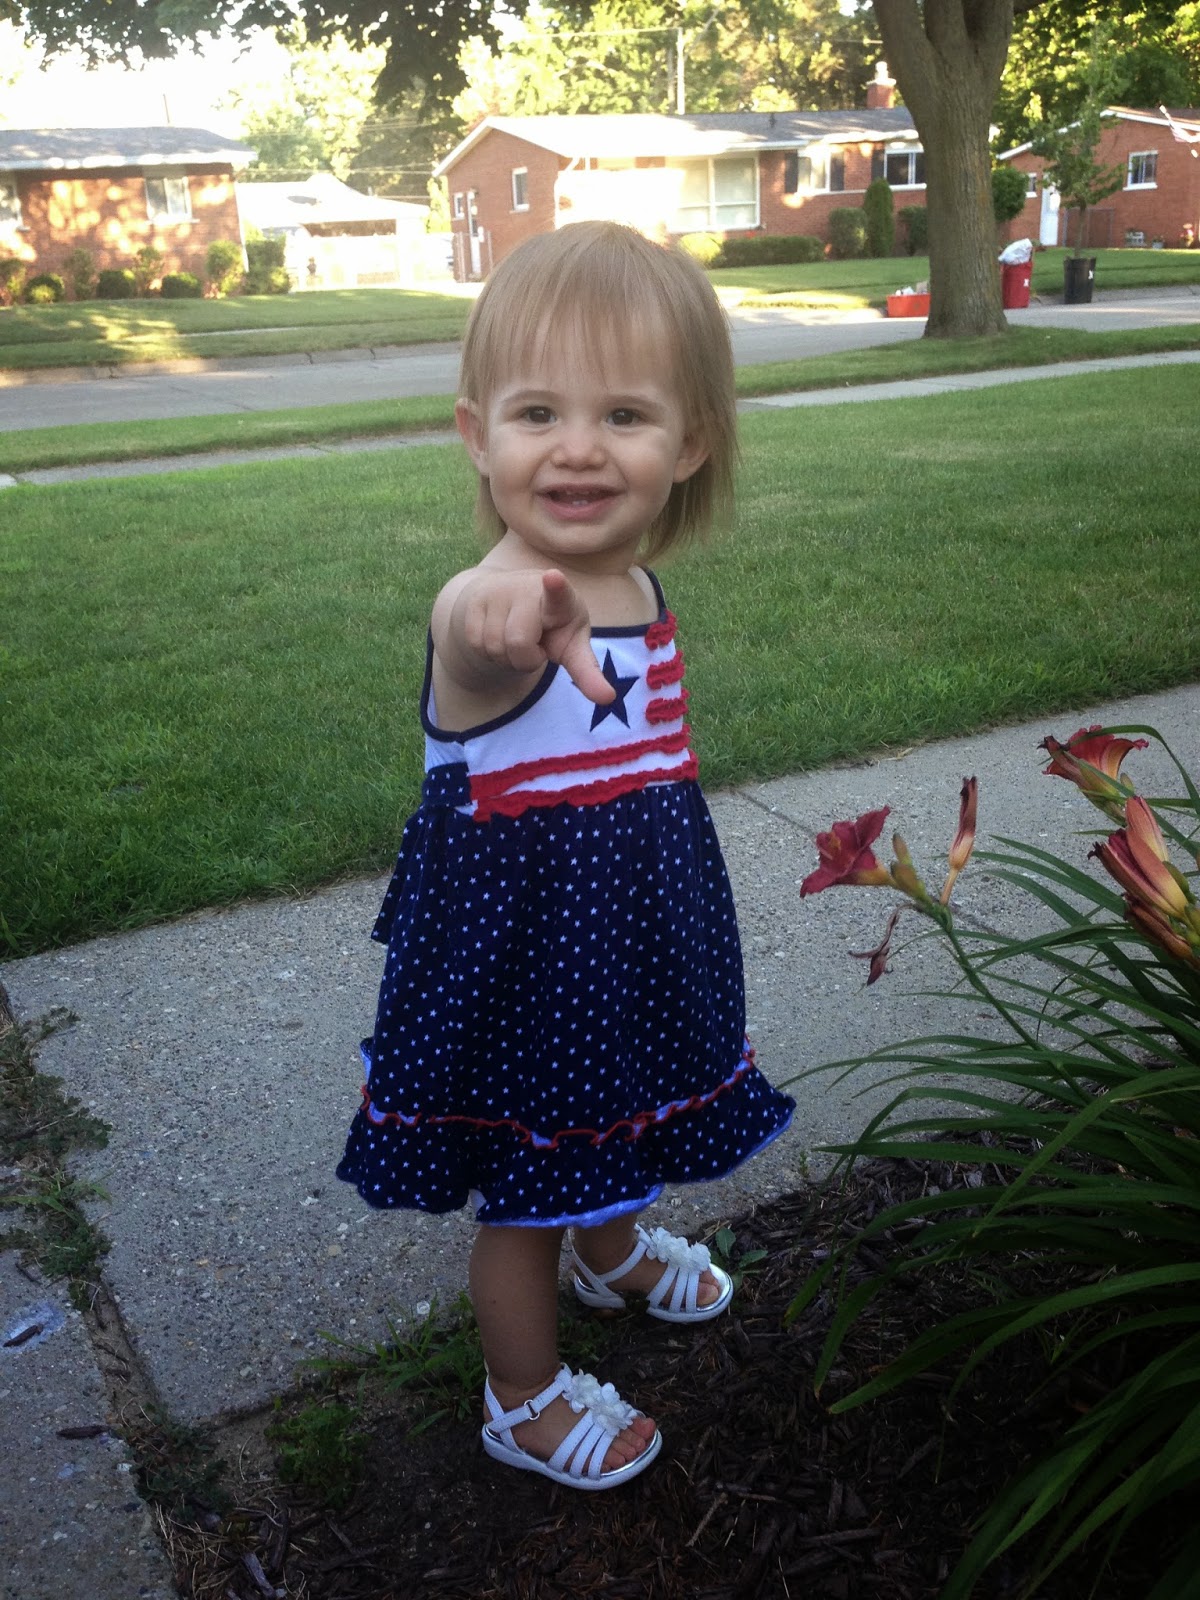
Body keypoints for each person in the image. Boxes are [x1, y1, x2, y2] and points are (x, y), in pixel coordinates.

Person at [338, 221, 794, 1490]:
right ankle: (523, 1395)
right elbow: (471, 632)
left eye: (625, 415)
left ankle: (616, 1248)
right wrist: (487, 614)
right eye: (538, 412)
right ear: (476, 435)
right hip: (523, 967)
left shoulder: (636, 590)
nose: (579, 447)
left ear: (690, 443)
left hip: (632, 933)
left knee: (615, 1109)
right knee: (529, 1184)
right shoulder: (494, 606)